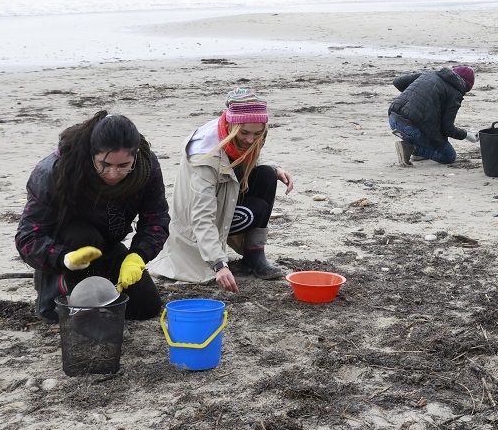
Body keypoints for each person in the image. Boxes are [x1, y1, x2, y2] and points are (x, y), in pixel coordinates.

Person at [16, 112, 169, 322]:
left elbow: (156, 218)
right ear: (91, 155)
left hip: (109, 243)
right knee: (81, 313)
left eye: (123, 166)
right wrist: (63, 258)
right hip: (68, 246)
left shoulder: (146, 167)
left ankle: (104, 275)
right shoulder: (54, 171)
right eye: (104, 164)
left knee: (146, 308)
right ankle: (54, 285)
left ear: (135, 155)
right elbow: (27, 237)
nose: (113, 174)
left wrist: (138, 256)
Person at [147, 89, 295, 292]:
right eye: (244, 133)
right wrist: (218, 264)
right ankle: (228, 253)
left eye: (257, 133)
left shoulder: (240, 132)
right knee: (256, 210)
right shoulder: (206, 155)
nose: (251, 140)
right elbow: (201, 216)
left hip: (226, 200)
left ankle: (254, 256)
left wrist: (274, 167)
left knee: (267, 174)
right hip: (197, 225)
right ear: (232, 125)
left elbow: (245, 157)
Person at [388, 65, 477, 166]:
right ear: (466, 86)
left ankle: (417, 151)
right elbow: (447, 129)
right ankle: (410, 147)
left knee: (428, 136)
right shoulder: (455, 93)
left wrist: (416, 96)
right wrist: (467, 135)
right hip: (412, 128)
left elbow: (397, 82)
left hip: (393, 119)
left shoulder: (430, 73)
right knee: (448, 156)